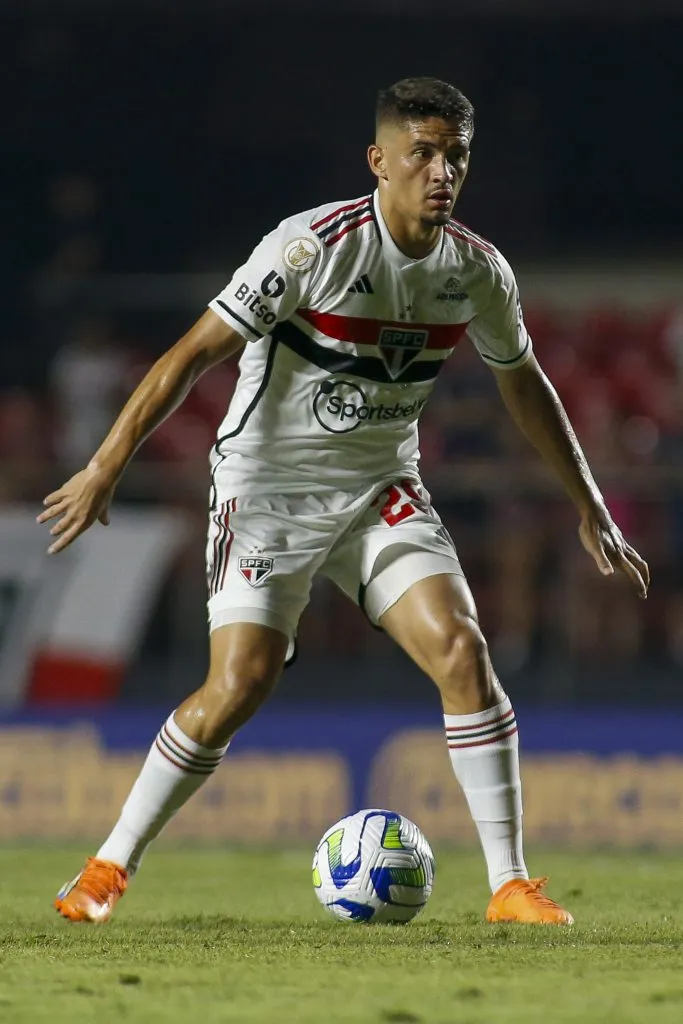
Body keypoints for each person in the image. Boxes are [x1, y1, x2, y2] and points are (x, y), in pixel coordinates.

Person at [39, 77, 649, 926]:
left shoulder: (474, 271)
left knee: (461, 651)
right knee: (239, 684)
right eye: (423, 153)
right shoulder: (309, 249)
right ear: (379, 160)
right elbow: (191, 353)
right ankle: (109, 866)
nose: (441, 172)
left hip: (379, 490)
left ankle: (509, 884)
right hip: (267, 489)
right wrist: (107, 464)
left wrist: (589, 502)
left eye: (455, 157)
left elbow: (525, 384)